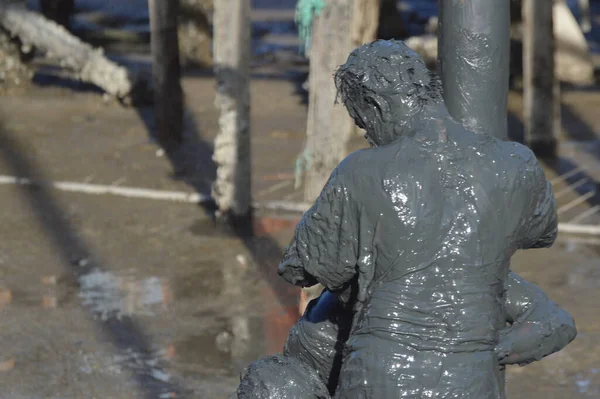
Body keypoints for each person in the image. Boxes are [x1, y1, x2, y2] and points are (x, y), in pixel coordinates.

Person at [276, 40, 576, 398]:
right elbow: (540, 233)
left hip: (382, 373)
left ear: (375, 106)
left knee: (270, 378)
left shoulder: (362, 170)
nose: (368, 136)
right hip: (471, 377)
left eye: (363, 124)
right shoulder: (518, 163)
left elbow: (304, 268)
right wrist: (489, 351)